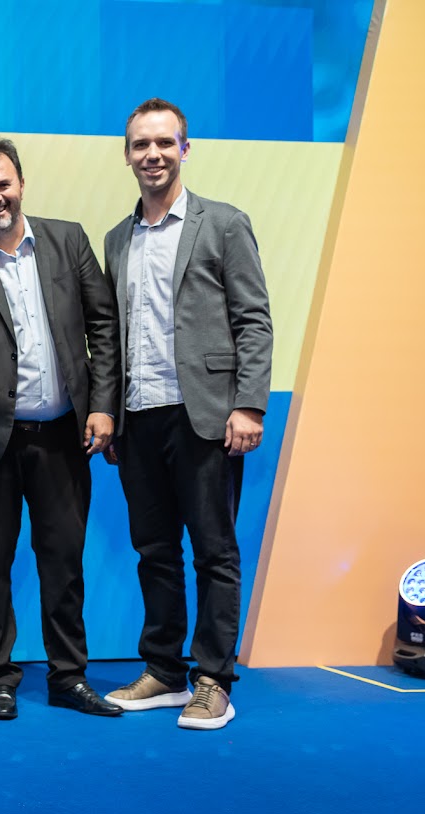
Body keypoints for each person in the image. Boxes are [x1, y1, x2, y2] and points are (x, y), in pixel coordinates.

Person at [0, 138, 122, 721]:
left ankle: (69, 676)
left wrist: (104, 405)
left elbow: (103, 326)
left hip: (63, 435)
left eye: (2, 184)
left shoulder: (68, 240)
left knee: (64, 561)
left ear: (21, 184)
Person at [101, 98, 272, 730]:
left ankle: (214, 679)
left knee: (214, 552)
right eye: (140, 145)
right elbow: (112, 338)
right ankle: (165, 671)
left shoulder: (223, 223)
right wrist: (109, 414)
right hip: (139, 418)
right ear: (127, 155)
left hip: (207, 417)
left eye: (164, 143)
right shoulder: (117, 239)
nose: (152, 154)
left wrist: (248, 404)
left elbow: (254, 319)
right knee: (154, 551)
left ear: (184, 149)